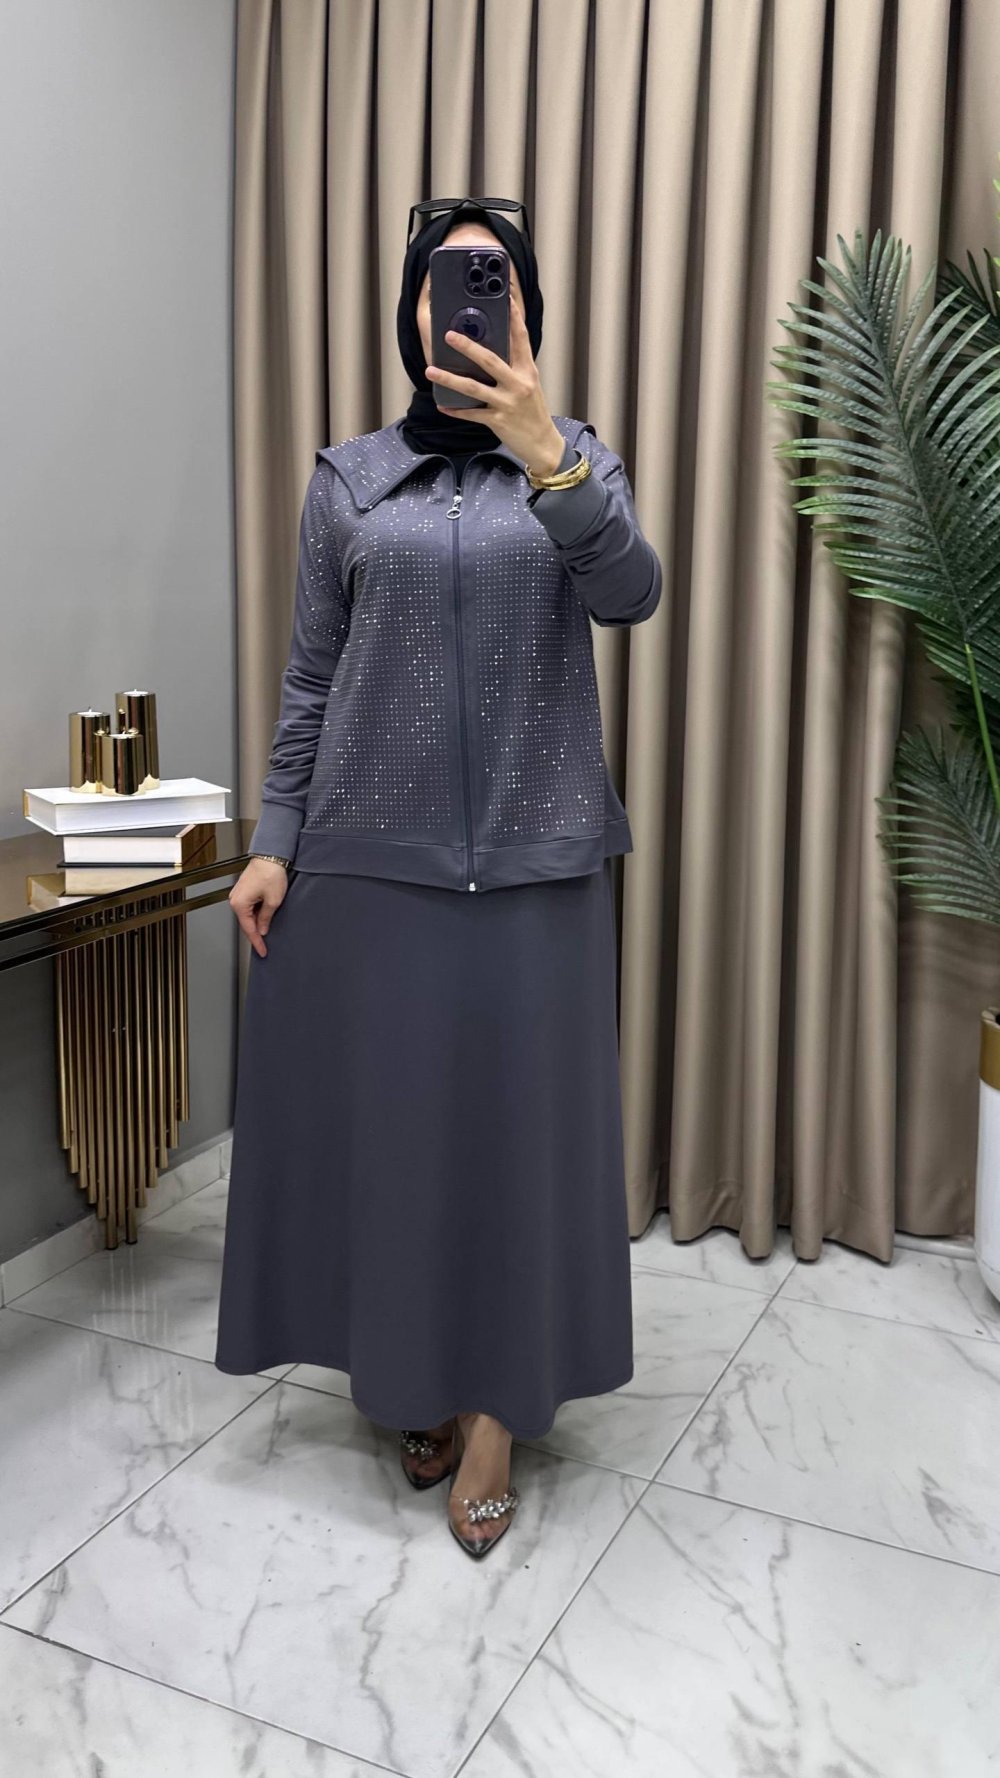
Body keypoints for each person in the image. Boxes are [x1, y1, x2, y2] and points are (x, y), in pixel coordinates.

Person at [215, 197, 662, 1559]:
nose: (468, 299)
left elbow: (631, 593)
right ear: (411, 312)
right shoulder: (346, 481)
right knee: (405, 1147)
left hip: (537, 866)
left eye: (494, 278)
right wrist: (275, 839)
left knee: (515, 1149)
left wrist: (546, 454)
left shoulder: (574, 459)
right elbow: (311, 675)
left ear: (524, 312)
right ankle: (413, 1378)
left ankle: (494, 1419)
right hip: (372, 868)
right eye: (446, 280)